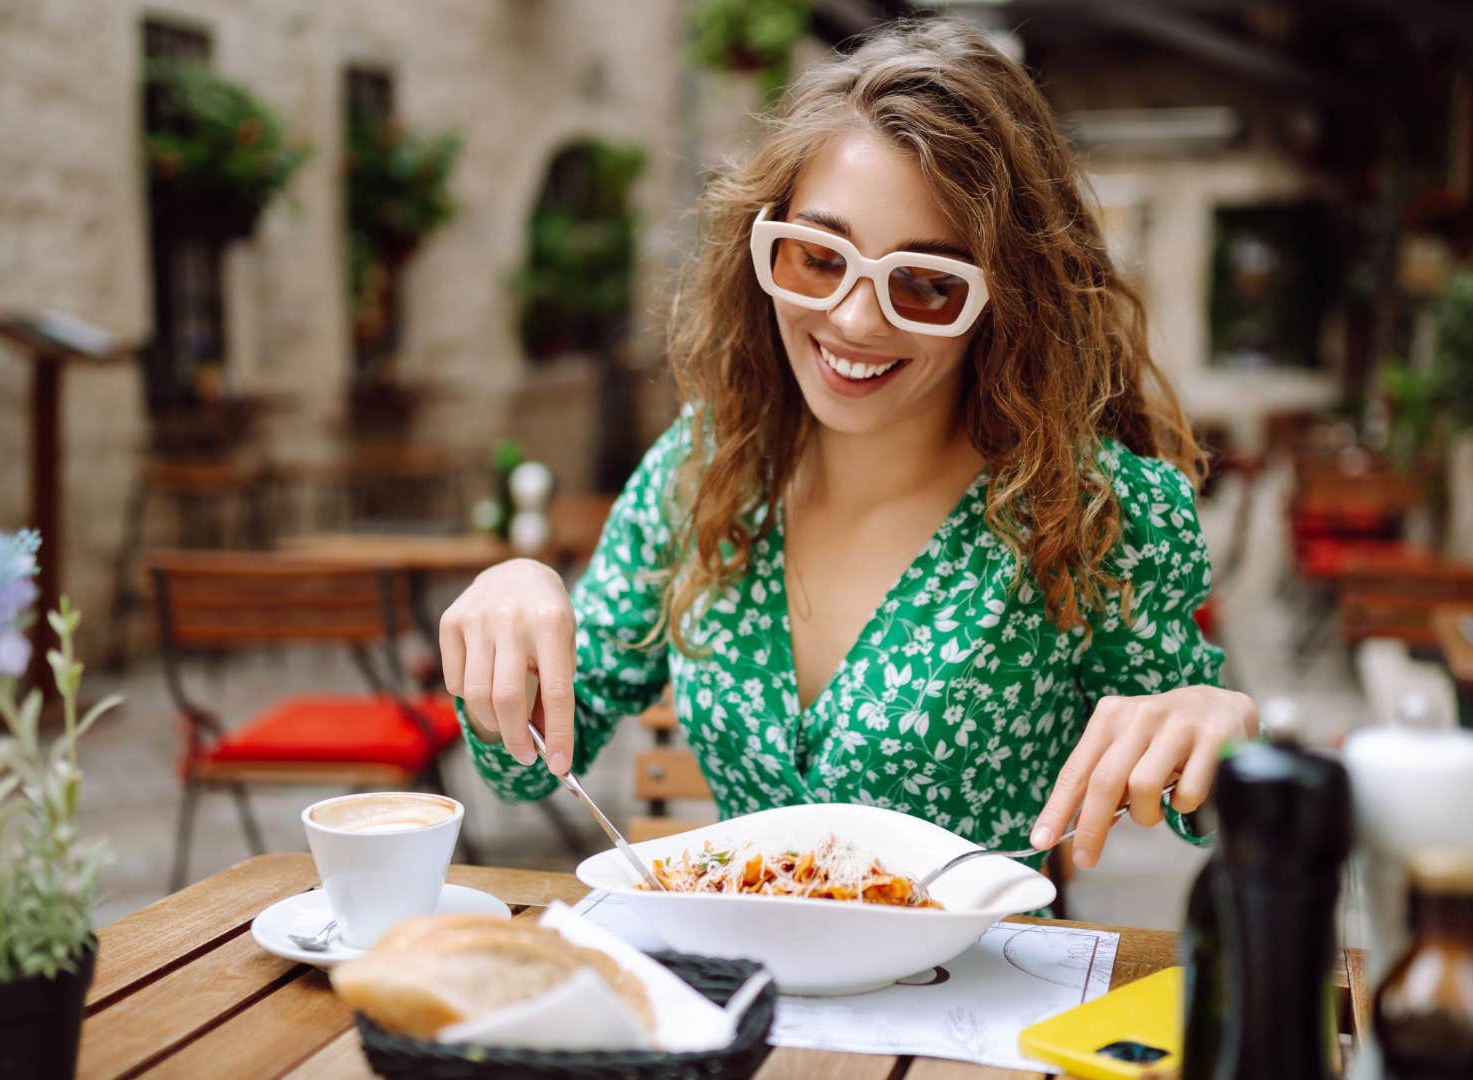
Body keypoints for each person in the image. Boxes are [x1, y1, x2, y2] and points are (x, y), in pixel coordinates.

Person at [439, 18, 1256, 871]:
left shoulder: (1091, 514)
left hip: (975, 997)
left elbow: (1202, 802)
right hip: (740, 994)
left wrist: (1221, 729)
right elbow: (525, 768)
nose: (856, 320)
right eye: (818, 259)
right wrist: (514, 597)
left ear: (1008, 302)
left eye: (928, 284)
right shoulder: (703, 470)